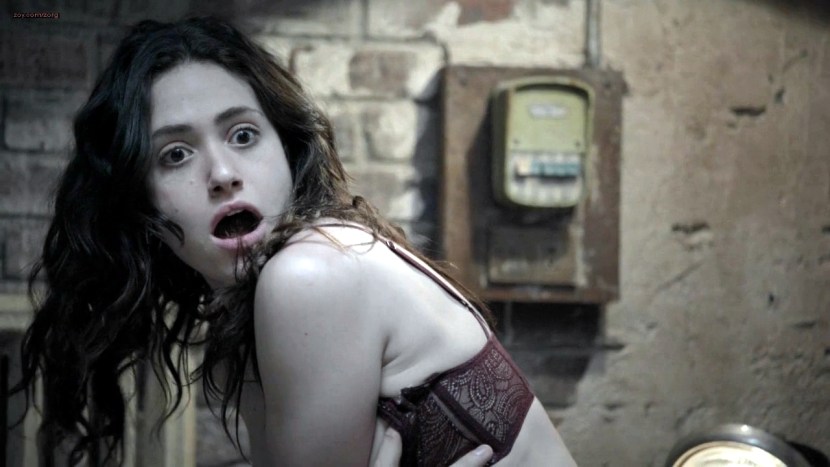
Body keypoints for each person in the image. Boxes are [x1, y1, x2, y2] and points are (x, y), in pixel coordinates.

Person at [13, 17, 577, 466]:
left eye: (243, 134)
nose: (222, 174)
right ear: (141, 208)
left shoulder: (310, 276)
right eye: (175, 154)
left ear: (288, 151)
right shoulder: (251, 316)